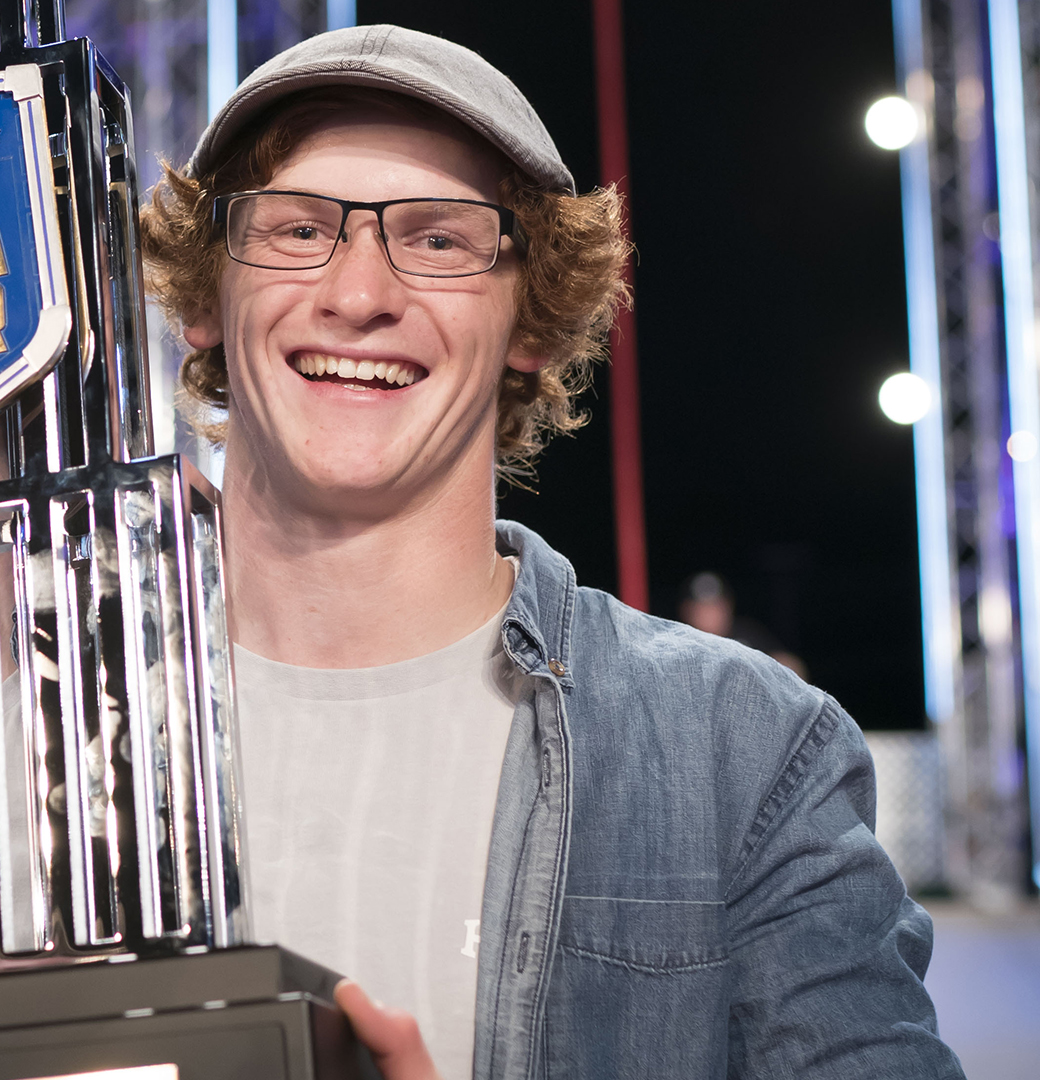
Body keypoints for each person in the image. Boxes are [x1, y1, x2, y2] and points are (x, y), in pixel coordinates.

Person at [136, 22, 961, 1080]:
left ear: (531, 321)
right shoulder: (7, 716)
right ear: (206, 297)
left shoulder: (743, 751)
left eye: (440, 241)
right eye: (298, 230)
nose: (358, 294)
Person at [680, 569, 809, 679]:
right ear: (687, 611)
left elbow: (789, 664)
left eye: (715, 606)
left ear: (728, 606)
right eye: (702, 608)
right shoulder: (680, 644)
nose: (709, 614)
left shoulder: (746, 634)